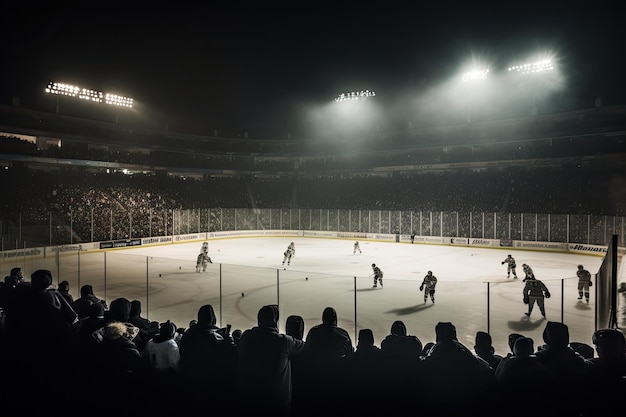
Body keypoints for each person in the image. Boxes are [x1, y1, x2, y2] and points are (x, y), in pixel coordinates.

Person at [237, 304, 305, 416]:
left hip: (249, 402)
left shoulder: (246, 337)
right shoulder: (283, 342)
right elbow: (302, 345)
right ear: (274, 321)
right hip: (277, 407)